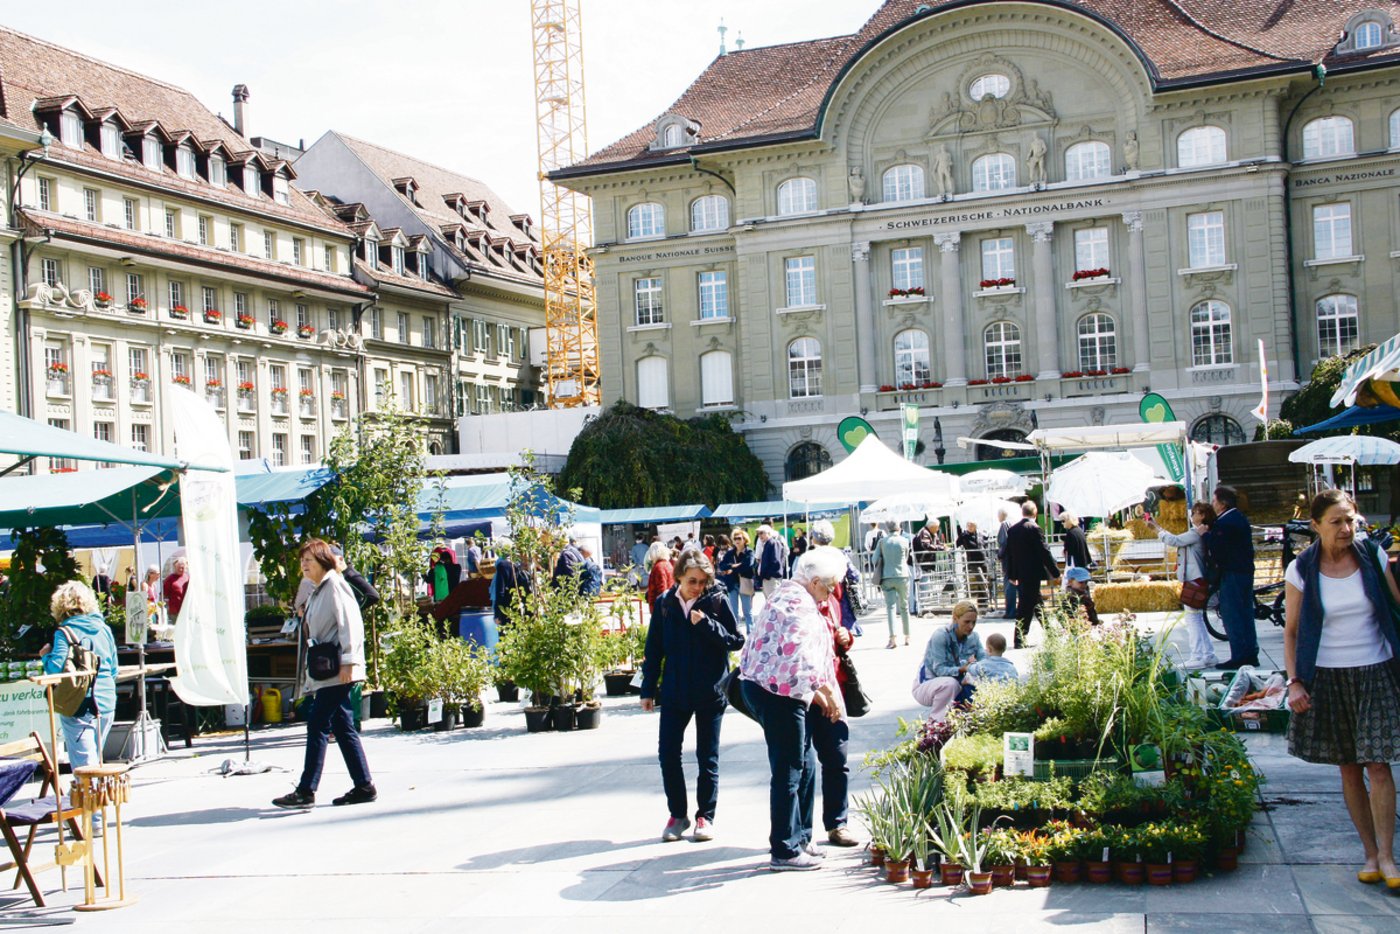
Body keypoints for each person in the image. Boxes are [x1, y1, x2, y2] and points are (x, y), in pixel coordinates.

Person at [1283, 489, 1400, 887]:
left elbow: (1395, 610)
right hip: (1328, 676)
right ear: (1315, 526)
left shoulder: (1373, 556)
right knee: (1349, 767)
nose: (1346, 529)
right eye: (1336, 522)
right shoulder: (1301, 568)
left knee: (1379, 763)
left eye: (1350, 519)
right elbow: (1293, 632)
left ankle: (1387, 856)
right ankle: (1368, 852)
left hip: (1376, 671)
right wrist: (1295, 681)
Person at [738, 548, 846, 871]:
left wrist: (821, 690)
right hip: (778, 693)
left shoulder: (788, 593)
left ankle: (800, 837)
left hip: (776, 689)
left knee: (805, 761)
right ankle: (784, 849)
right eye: (828, 588)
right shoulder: (798, 604)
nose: (830, 595)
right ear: (814, 582)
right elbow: (803, 658)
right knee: (789, 768)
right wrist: (826, 692)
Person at [640, 550, 745, 842]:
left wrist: (707, 625)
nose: (698, 587)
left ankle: (705, 816)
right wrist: (648, 690)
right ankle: (678, 815)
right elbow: (654, 651)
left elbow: (736, 640)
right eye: (692, 581)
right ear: (678, 578)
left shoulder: (715, 601)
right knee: (667, 753)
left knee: (706, 756)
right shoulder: (664, 605)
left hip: (710, 691)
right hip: (675, 691)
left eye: (702, 581)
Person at [274, 539, 375, 809]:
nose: (304, 565)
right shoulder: (319, 589)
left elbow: (351, 625)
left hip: (337, 669)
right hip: (326, 669)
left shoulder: (335, 586)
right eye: (302, 561)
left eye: (309, 560)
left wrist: (349, 663)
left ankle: (306, 789)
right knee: (342, 727)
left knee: (317, 724)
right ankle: (364, 785)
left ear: (323, 561)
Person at [794, 537, 860, 848]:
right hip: (804, 693)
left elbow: (841, 635)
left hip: (833, 686)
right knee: (803, 764)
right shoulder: (797, 604)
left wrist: (846, 637)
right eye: (830, 583)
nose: (834, 589)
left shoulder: (831, 598)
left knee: (837, 756)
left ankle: (837, 823)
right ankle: (801, 833)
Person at [41, 581, 118, 769]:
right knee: (95, 761)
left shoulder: (65, 632)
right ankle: (91, 796)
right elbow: (114, 667)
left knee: (84, 767)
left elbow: (55, 669)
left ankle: (84, 797)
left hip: (78, 702)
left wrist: (45, 656)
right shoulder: (103, 629)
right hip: (106, 699)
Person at [1148, 503, 1219, 668]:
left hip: (1194, 577)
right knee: (1196, 617)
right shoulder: (1202, 532)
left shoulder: (1196, 533)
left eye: (1194, 513)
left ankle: (1197, 655)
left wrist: (1157, 529)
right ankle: (1207, 654)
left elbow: (1175, 540)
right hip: (1198, 576)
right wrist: (1157, 527)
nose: (1191, 516)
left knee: (1193, 618)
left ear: (1201, 515)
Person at [1201, 484, 1257, 669]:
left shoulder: (1225, 522)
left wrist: (1206, 536)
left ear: (1222, 503)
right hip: (1245, 571)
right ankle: (1250, 652)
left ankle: (1239, 655)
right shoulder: (1238, 518)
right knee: (1246, 613)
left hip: (1232, 572)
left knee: (1232, 615)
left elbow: (1218, 548)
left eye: (1214, 500)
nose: (1212, 504)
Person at [913, 601, 985, 719]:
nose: (971, 626)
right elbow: (939, 670)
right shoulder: (940, 635)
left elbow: (984, 661)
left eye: (974, 622)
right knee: (950, 684)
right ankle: (938, 723)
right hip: (927, 684)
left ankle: (967, 720)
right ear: (955, 618)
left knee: (983, 680)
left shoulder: (974, 637)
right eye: (967, 622)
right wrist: (963, 669)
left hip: (958, 682)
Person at [1004, 500, 1059, 648]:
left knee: (1036, 603)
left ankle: (1051, 633)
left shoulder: (1013, 530)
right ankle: (1019, 639)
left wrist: (1012, 574)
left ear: (1023, 512)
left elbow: (1010, 555)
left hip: (1021, 573)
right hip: (1032, 573)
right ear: (1035, 513)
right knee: (1026, 606)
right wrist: (1055, 571)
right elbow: (1044, 551)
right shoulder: (1034, 528)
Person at [877, 522, 911, 649]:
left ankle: (893, 639)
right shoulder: (905, 541)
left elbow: (874, 560)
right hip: (903, 575)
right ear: (899, 527)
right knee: (904, 607)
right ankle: (907, 636)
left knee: (890, 608)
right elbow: (906, 557)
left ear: (887, 528)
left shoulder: (882, 542)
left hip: (887, 576)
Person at [718, 528, 756, 632]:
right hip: (732, 584)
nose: (737, 540)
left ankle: (751, 634)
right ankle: (736, 633)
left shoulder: (750, 552)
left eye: (739, 538)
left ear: (744, 539)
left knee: (747, 612)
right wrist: (734, 565)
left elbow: (748, 565)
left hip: (745, 583)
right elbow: (721, 565)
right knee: (733, 611)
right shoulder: (730, 553)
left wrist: (731, 568)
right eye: (735, 538)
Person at [493, 544, 532, 632]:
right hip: (523, 605)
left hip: (509, 608)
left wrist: (497, 613)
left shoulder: (503, 565)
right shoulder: (520, 565)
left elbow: (500, 591)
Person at [956, 522, 989, 602]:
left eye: (972, 525)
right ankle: (988, 598)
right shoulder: (964, 536)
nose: (970, 527)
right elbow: (956, 544)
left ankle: (982, 602)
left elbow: (985, 543)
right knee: (982, 580)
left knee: (984, 581)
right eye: (968, 526)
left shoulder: (980, 534)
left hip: (983, 560)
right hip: (973, 562)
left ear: (976, 526)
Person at [755, 525, 788, 598]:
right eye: (758, 533)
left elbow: (776, 562)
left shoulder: (773, 543)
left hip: (772, 579)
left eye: (762, 533)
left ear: (769, 533)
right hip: (768, 579)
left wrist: (767, 575)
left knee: (773, 601)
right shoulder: (767, 544)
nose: (760, 535)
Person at [996, 508, 1018, 620]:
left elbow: (1004, 543)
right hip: (1015, 559)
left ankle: (1010, 611)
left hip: (1008, 560)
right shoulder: (1013, 523)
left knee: (1009, 586)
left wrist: (999, 555)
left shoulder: (1004, 525)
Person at [646, 543, 675, 613]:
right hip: (669, 606)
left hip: (660, 609)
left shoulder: (659, 567)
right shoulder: (668, 564)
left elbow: (662, 590)